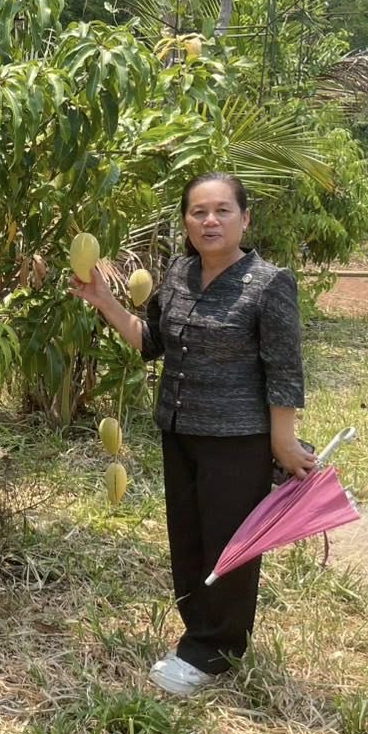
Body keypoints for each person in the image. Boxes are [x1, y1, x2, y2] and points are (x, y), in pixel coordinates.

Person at [71, 172, 315, 696]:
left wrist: (282, 441)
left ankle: (217, 650)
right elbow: (150, 340)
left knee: (230, 545)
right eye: (198, 211)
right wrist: (103, 300)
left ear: (245, 219)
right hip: (179, 429)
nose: (210, 220)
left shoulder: (269, 283)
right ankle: (195, 636)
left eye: (222, 211)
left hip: (237, 437)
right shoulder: (178, 273)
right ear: (186, 221)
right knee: (188, 538)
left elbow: (285, 370)